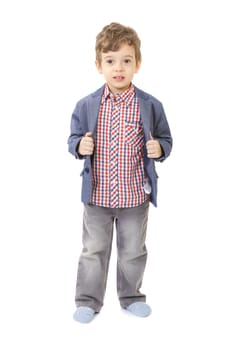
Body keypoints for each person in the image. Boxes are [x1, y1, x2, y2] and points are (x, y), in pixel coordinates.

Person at [68, 22, 172, 323]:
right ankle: (88, 300)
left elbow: (165, 139)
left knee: (133, 252)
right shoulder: (87, 104)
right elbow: (72, 138)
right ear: (98, 65)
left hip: (135, 196)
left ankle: (131, 297)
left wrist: (160, 149)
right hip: (97, 196)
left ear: (137, 64)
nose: (119, 68)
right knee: (93, 251)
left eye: (127, 60)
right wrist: (80, 145)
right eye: (110, 60)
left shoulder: (150, 105)